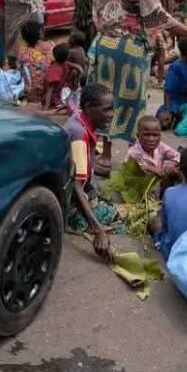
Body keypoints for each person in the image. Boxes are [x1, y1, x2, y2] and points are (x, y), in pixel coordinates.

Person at [89, 0, 187, 174]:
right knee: (133, 102)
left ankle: (105, 157)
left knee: (106, 102)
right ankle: (135, 159)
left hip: (103, 47)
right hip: (129, 49)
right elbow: (157, 18)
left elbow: (97, 17)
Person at [64, 84, 115, 260]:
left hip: (78, 191)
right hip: (70, 201)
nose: (111, 114)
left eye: (112, 109)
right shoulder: (79, 134)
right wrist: (97, 229)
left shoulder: (81, 121)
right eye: (106, 110)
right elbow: (75, 186)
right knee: (118, 218)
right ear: (88, 107)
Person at [18, 20, 53, 105]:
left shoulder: (22, 52)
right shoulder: (50, 46)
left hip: (30, 94)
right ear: (40, 33)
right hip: (47, 93)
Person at [43, 43, 81, 110]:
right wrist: (46, 106)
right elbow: (50, 90)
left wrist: (78, 72)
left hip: (62, 90)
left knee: (75, 72)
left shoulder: (63, 63)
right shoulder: (54, 70)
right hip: (55, 97)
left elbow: (78, 67)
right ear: (66, 57)